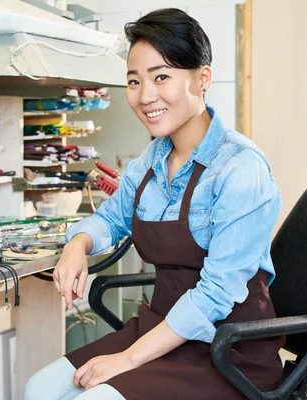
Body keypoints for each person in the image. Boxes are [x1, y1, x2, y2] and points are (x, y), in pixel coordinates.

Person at [24, 8, 284, 400]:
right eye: (134, 81)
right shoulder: (150, 162)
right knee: (39, 389)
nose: (145, 96)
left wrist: (128, 359)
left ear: (202, 79)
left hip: (229, 351)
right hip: (162, 330)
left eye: (161, 76)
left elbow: (215, 295)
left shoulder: (241, 168)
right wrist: (77, 245)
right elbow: (110, 220)